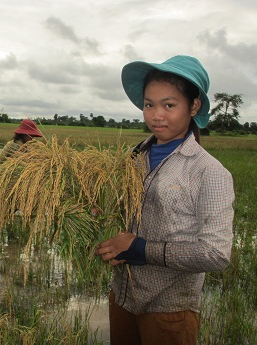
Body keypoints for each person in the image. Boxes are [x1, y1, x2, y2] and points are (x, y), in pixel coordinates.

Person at [94, 55, 234, 345]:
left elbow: (217, 254)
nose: (156, 115)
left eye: (169, 105)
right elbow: (126, 213)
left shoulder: (209, 172)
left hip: (169, 310)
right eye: (149, 104)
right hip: (121, 297)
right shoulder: (133, 158)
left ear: (193, 106)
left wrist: (141, 250)